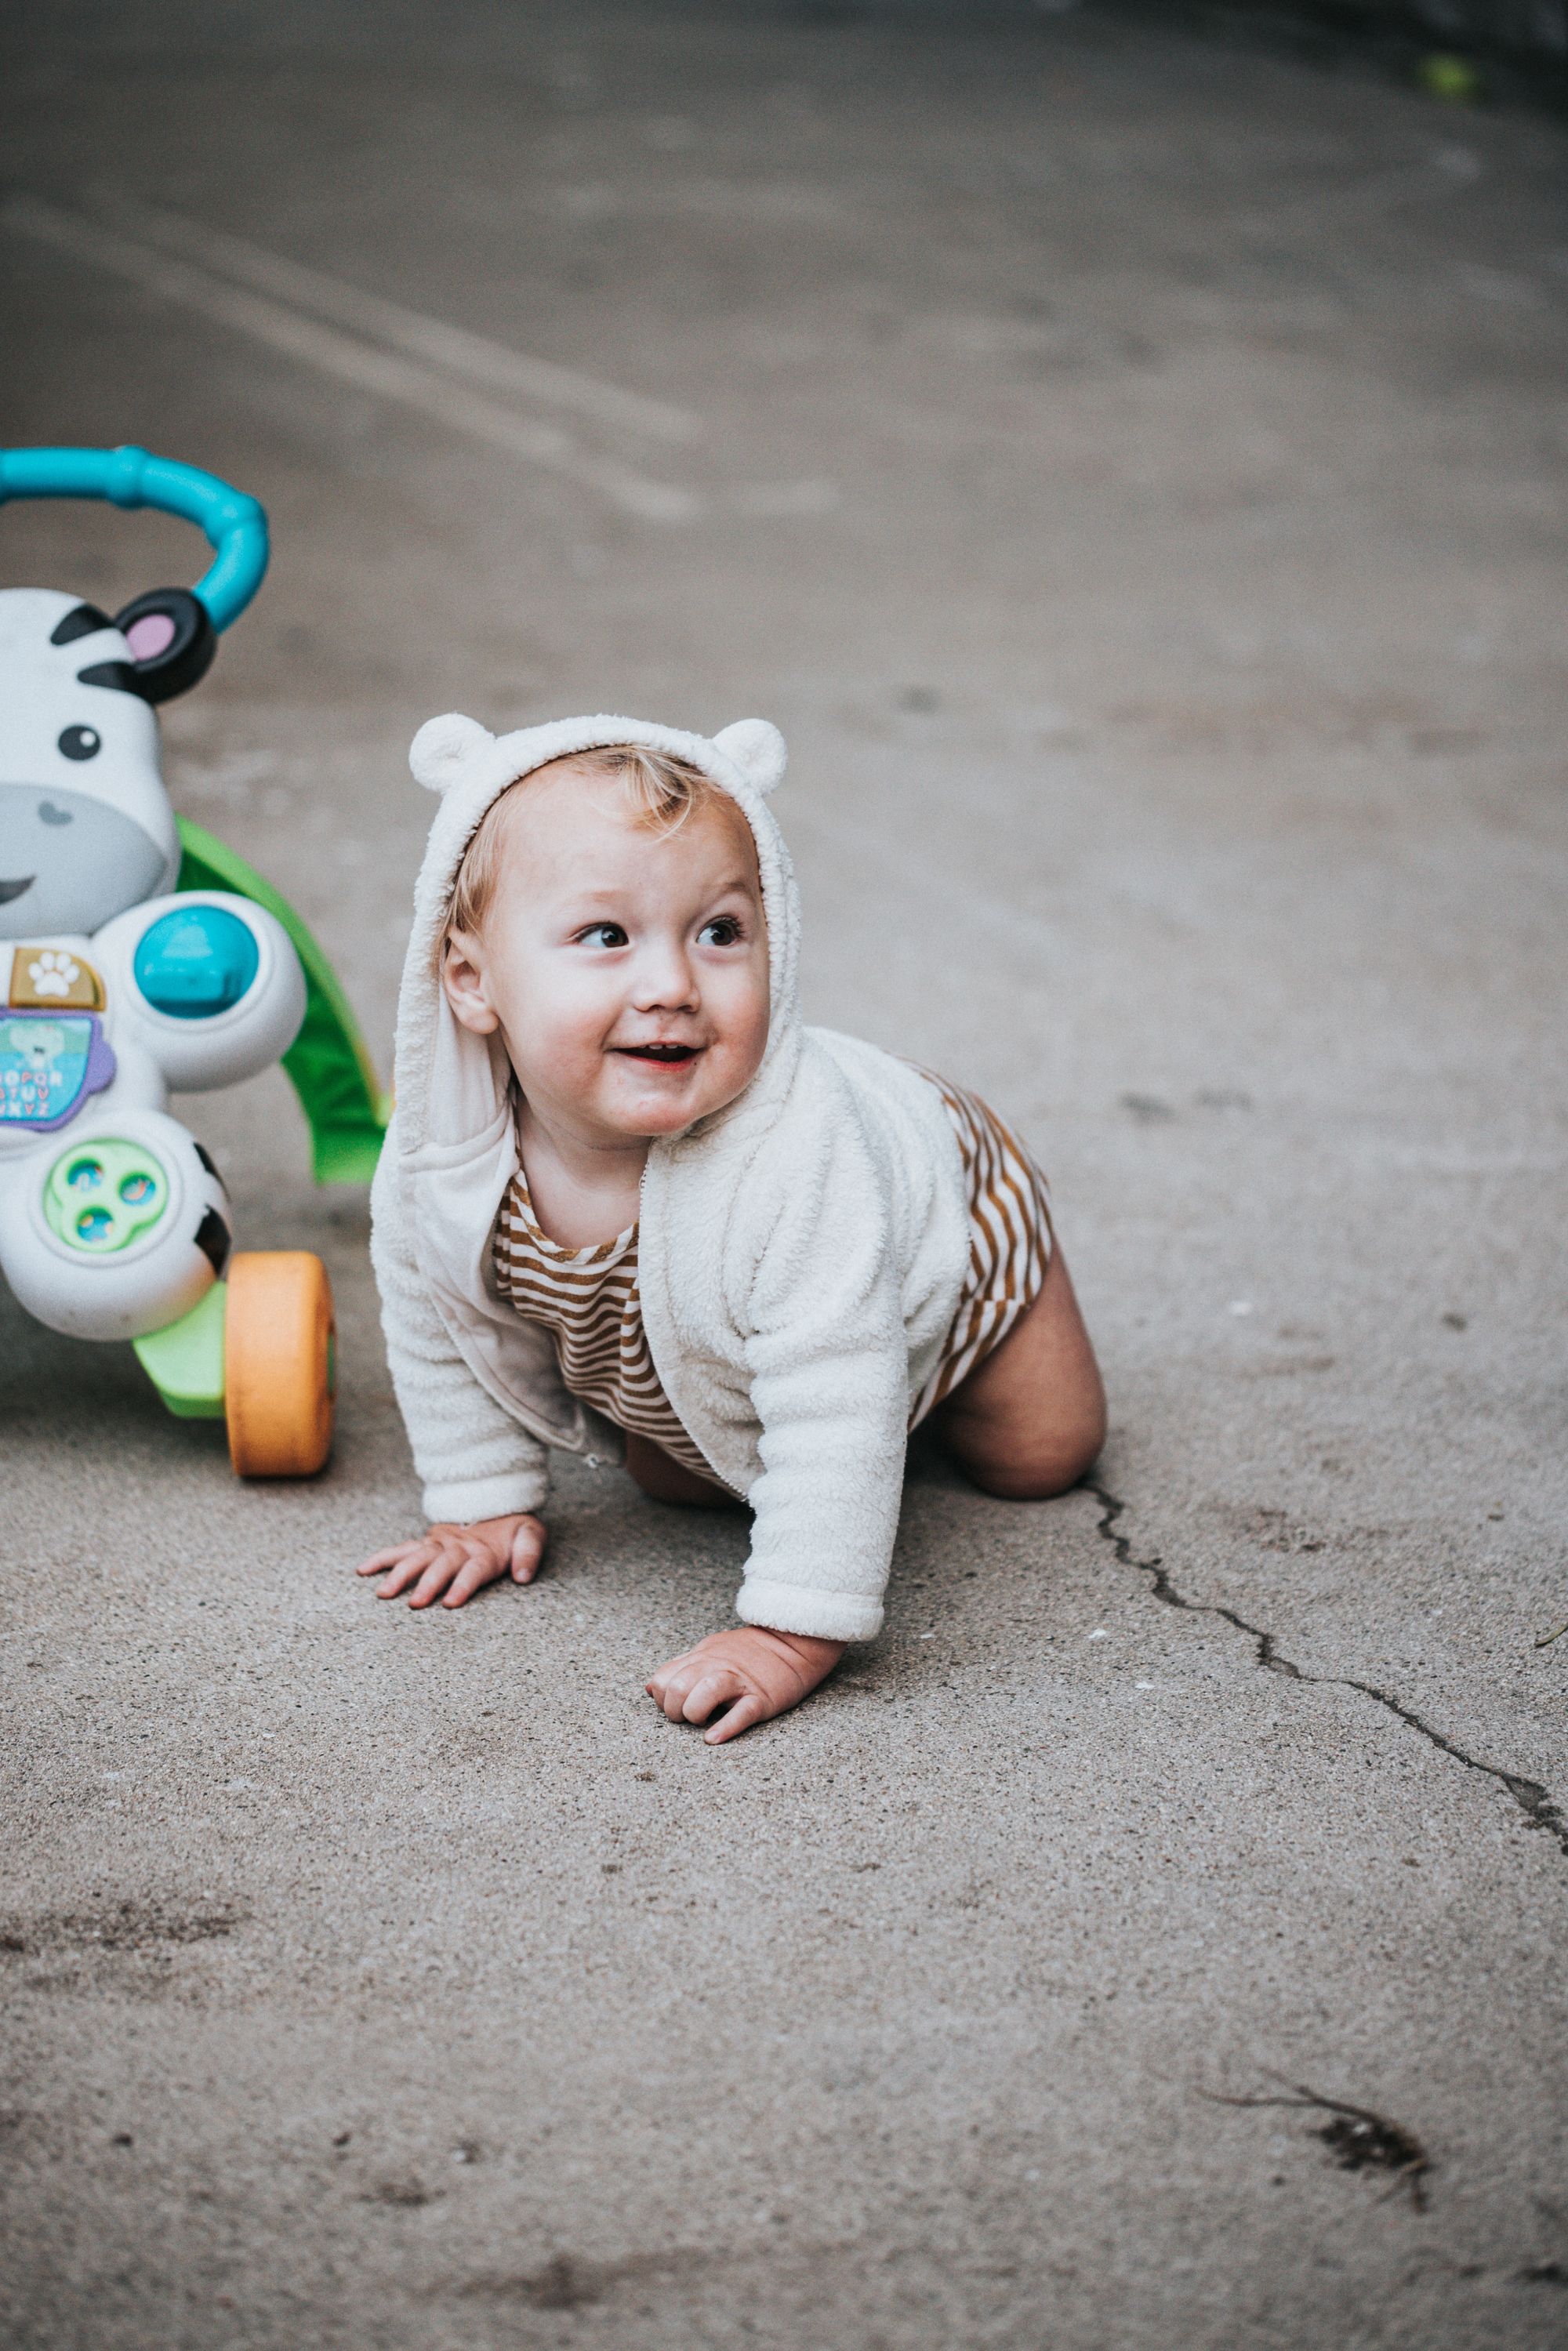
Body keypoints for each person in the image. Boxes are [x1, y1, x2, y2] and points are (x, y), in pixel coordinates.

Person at [360, 711, 1105, 1742]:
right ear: (473, 982)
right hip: (708, 1326)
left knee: (1040, 1456)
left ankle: (954, 1371)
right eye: (605, 936)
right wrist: (482, 1497)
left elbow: (837, 1394)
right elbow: (438, 1318)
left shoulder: (803, 1166)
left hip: (953, 1216)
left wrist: (792, 1629)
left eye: (719, 932)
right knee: (684, 1480)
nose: (671, 986)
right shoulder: (446, 1161)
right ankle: (775, 1421)